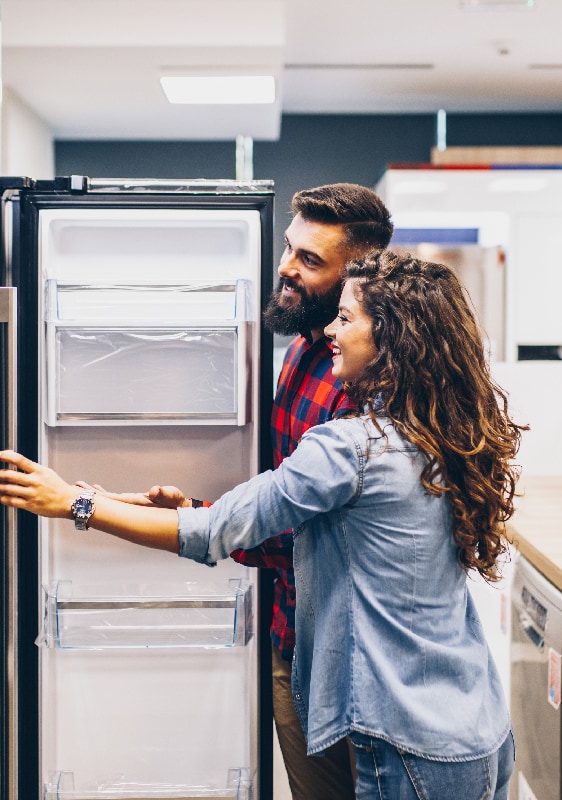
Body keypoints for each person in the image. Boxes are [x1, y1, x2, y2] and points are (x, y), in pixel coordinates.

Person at [0, 250, 524, 799]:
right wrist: (172, 507)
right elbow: (289, 526)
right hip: (478, 727)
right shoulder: (444, 431)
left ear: (391, 338)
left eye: (345, 318)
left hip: (406, 744)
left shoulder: (351, 448)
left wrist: (73, 505)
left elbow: (213, 532)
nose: (331, 330)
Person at [100, 182, 392, 799]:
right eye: (289, 248)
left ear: (357, 277)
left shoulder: (364, 386)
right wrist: (197, 510)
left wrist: (90, 508)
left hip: (355, 659)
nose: (285, 268)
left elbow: (298, 531)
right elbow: (281, 494)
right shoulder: (303, 350)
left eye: (309, 260)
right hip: (291, 632)